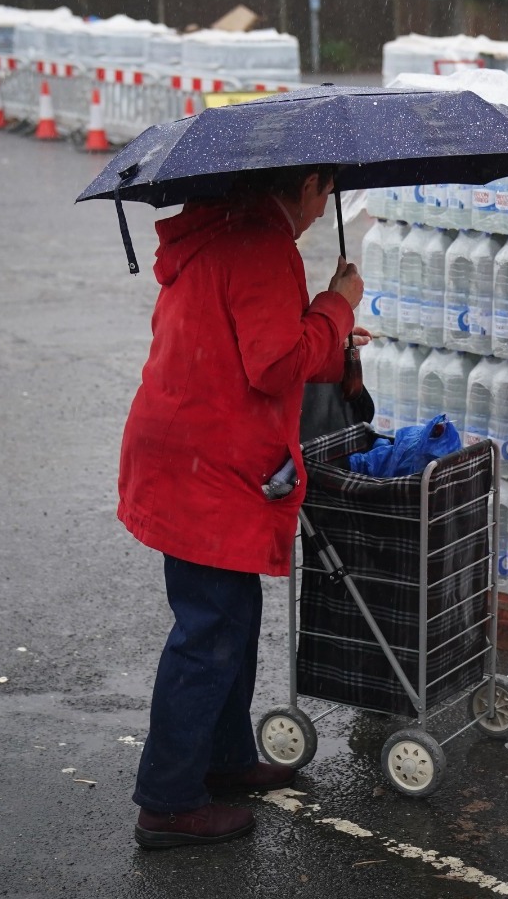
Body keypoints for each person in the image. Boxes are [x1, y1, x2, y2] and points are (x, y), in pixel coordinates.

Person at [120, 165, 366, 850]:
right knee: (209, 631)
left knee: (230, 615)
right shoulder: (259, 242)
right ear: (309, 183)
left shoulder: (223, 231)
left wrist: (325, 329)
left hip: (188, 449)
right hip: (208, 463)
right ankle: (168, 801)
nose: (326, 206)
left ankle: (222, 758)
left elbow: (248, 342)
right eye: (327, 190)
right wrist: (336, 307)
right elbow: (276, 364)